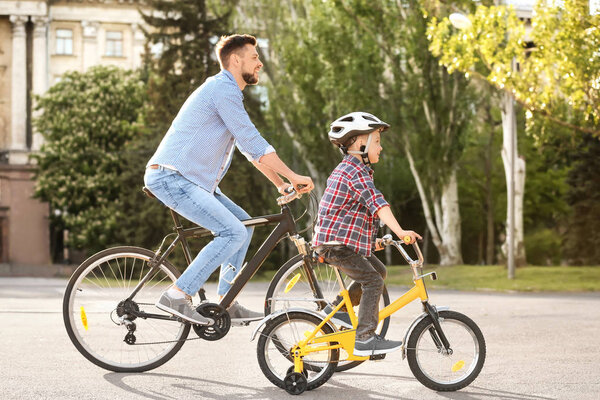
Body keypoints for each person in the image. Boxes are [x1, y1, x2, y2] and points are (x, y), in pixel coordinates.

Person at [144, 34, 314, 326]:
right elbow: (253, 141)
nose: (260, 63)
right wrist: (294, 175)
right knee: (232, 232)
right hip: (173, 177)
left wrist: (279, 183)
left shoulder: (226, 93)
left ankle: (226, 301)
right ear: (236, 60)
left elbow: (250, 151)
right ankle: (176, 294)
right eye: (254, 57)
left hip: (194, 181)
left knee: (244, 226)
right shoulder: (222, 89)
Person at [312, 111, 421, 357]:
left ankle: (340, 309)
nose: (381, 148)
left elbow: (351, 218)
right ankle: (364, 337)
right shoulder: (354, 172)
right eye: (377, 142)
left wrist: (374, 241)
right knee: (373, 281)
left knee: (379, 272)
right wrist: (400, 231)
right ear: (361, 143)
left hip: (339, 242)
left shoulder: (355, 170)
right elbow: (378, 204)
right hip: (334, 245)